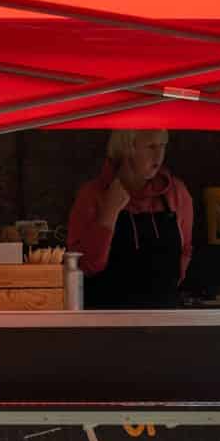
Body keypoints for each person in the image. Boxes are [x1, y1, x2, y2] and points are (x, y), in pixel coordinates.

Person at [68, 129, 193, 309]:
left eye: (163, 146)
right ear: (126, 150)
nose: (159, 155)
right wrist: (109, 213)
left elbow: (185, 250)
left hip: (163, 316)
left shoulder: (176, 193)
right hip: (105, 318)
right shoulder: (92, 195)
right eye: (151, 147)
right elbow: (85, 266)